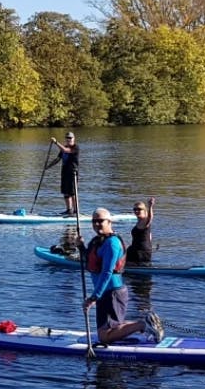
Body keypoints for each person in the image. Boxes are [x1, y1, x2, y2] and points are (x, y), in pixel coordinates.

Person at [82, 208, 163, 344]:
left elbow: (107, 272)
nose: (96, 224)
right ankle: (146, 323)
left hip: (111, 293)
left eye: (100, 221)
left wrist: (94, 297)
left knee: (104, 337)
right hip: (105, 293)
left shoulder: (112, 243)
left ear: (109, 222)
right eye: (94, 221)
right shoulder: (99, 240)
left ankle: (143, 325)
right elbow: (92, 260)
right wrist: (80, 247)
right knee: (108, 330)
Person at [47, 132, 80, 216]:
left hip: (73, 173)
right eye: (67, 138)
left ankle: (76, 211)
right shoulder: (64, 148)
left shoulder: (76, 147)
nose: (69, 139)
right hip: (64, 172)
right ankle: (69, 210)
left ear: (73, 138)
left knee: (72, 192)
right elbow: (58, 159)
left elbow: (66, 151)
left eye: (70, 138)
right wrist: (47, 167)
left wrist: (56, 142)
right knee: (65, 192)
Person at [125, 197, 155, 264]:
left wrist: (150, 206)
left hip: (141, 252)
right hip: (135, 249)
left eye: (139, 209)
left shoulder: (145, 221)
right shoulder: (139, 221)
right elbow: (150, 236)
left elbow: (150, 218)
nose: (136, 211)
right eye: (135, 209)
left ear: (144, 210)